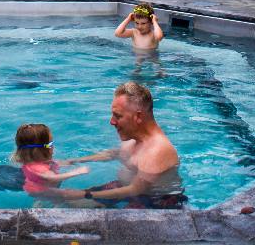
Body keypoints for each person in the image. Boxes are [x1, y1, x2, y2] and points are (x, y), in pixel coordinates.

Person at [59, 81, 185, 209]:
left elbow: (135, 189)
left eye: (117, 116)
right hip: (125, 188)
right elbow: (114, 153)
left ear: (138, 116)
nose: (112, 122)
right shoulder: (133, 136)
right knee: (63, 201)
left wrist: (85, 194)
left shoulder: (158, 150)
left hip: (155, 200)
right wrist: (73, 161)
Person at [13, 123, 89, 201]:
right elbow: (53, 178)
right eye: (50, 144)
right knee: (68, 194)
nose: (53, 146)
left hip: (41, 187)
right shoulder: (37, 167)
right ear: (39, 150)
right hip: (41, 191)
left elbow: (50, 165)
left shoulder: (34, 162)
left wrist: (65, 163)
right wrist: (77, 172)